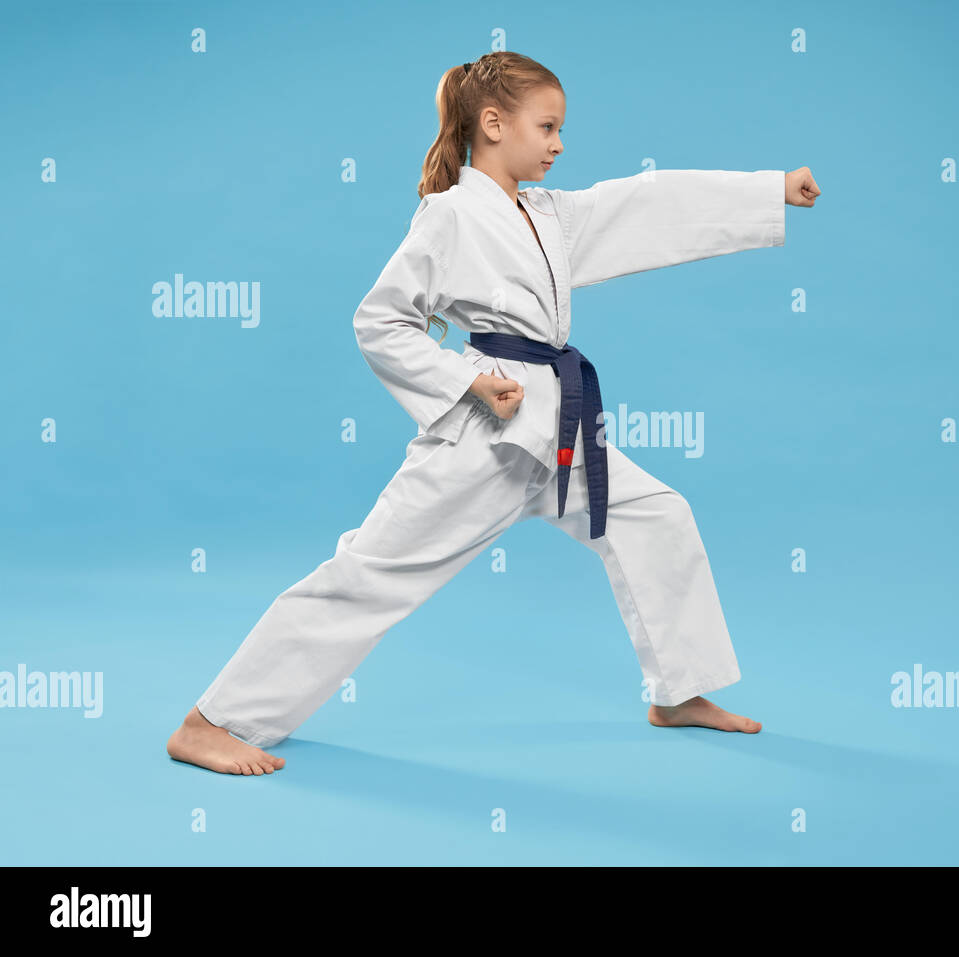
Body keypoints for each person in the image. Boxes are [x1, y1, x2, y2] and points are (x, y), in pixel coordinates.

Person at [166, 50, 821, 775]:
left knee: (655, 514)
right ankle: (212, 720)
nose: (559, 143)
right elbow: (379, 321)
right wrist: (466, 383)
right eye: (547, 126)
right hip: (487, 436)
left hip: (556, 427)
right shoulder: (450, 217)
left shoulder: (548, 213)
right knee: (372, 572)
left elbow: (648, 202)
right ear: (493, 123)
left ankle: (679, 691)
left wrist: (768, 193)